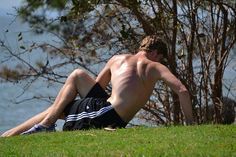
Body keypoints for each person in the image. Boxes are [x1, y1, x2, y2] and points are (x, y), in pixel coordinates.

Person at [1, 35, 193, 137]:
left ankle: (19, 132)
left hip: (102, 111)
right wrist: (190, 126)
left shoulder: (117, 59)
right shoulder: (156, 67)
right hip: (107, 115)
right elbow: (182, 90)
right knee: (60, 106)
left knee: (73, 83)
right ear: (157, 54)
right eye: (161, 58)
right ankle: (36, 128)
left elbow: (96, 89)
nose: (161, 61)